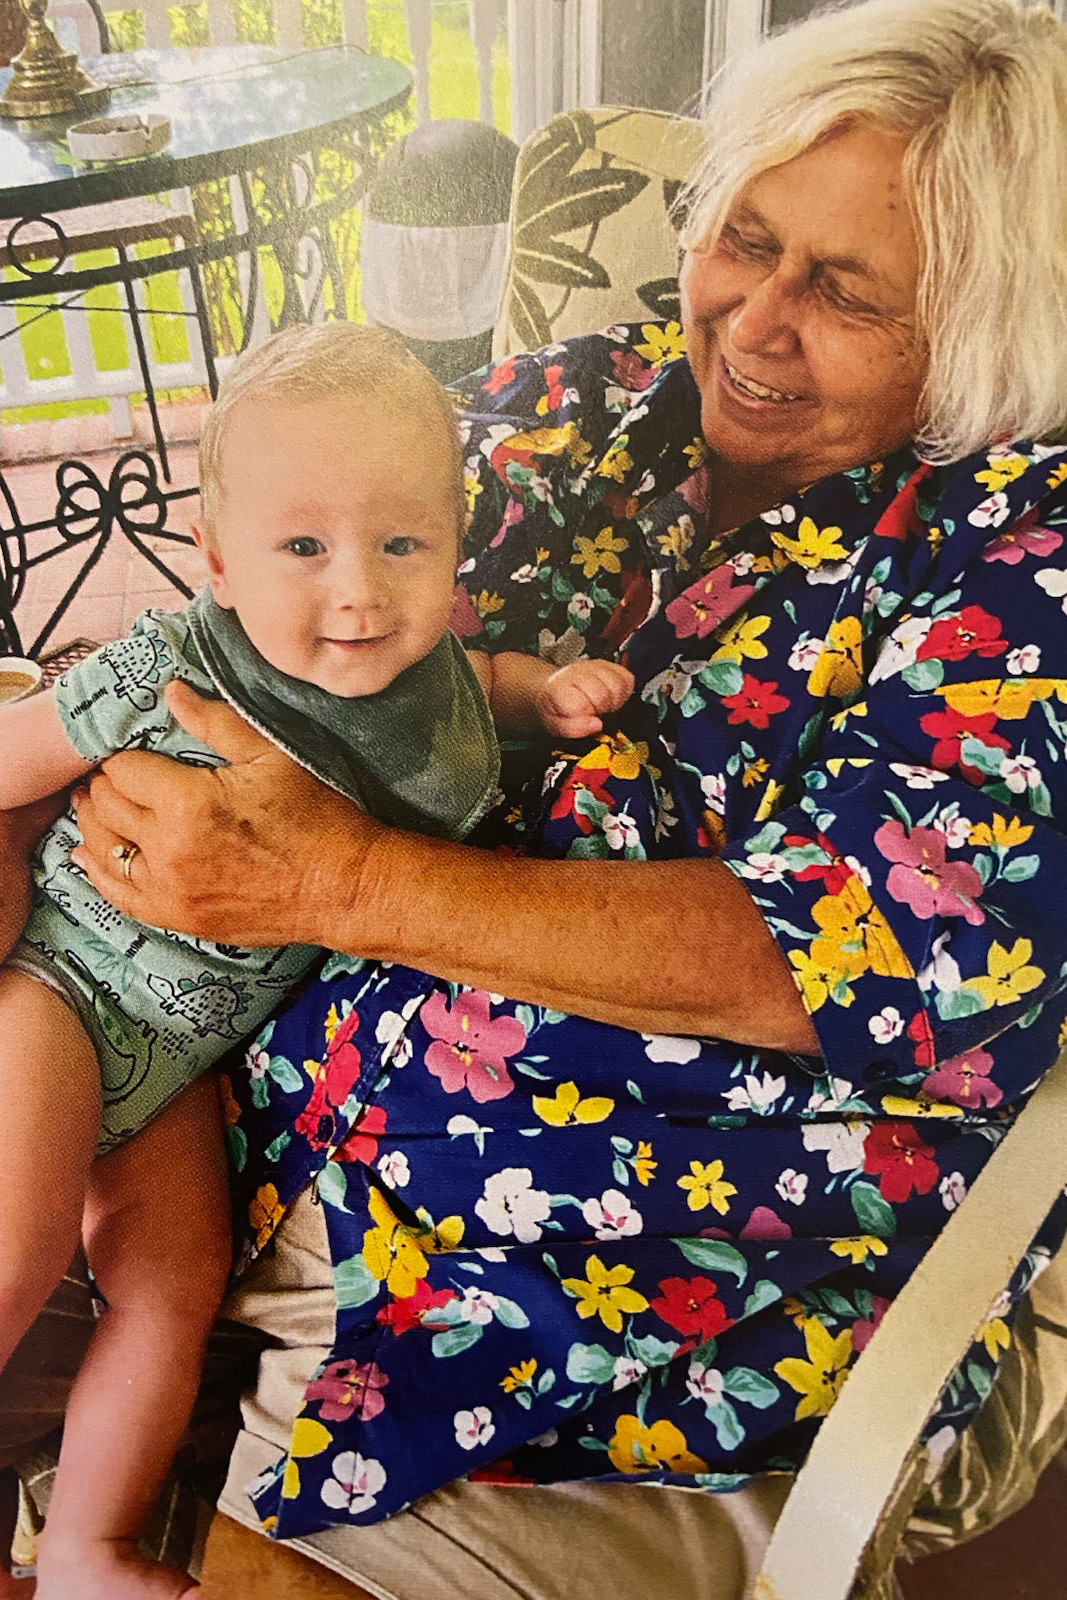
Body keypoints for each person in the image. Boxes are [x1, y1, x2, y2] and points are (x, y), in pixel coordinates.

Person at [6, 0, 1067, 1594]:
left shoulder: (1013, 555)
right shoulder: (586, 401)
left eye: (841, 291)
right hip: (210, 1052)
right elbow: (298, 608)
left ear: (985, 320)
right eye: (746, 239)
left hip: (592, 1241)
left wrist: (341, 884)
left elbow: (890, 961)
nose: (751, 319)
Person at [0, 318, 581, 1600]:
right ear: (215, 559)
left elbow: (485, 684)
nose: (358, 590)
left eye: (400, 544)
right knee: (21, 1240)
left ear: (454, 538)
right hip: (60, 989)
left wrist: (546, 697)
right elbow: (13, 758)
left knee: (173, 1287)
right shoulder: (173, 663)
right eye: (304, 548)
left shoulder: (437, 688)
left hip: (187, 1068)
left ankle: (91, 1542)